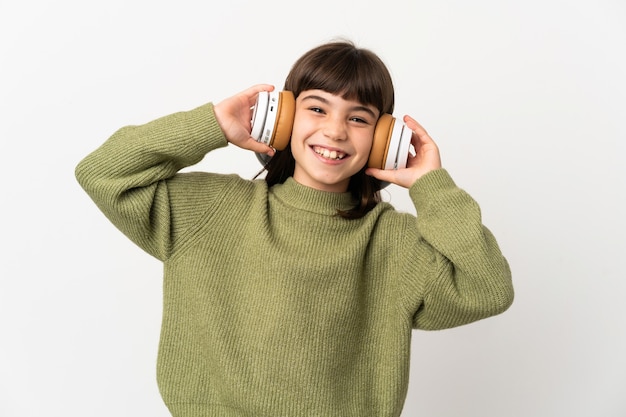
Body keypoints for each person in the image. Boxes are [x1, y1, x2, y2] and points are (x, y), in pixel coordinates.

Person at [75, 40, 514, 417]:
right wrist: (211, 125)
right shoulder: (210, 210)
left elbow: (488, 288)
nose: (335, 130)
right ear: (282, 116)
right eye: (317, 108)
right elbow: (104, 174)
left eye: (359, 118)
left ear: (384, 139)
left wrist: (431, 186)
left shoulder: (394, 244)